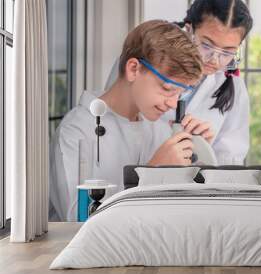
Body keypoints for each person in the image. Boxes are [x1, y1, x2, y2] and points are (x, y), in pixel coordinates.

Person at [50, 20, 212, 221]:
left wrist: (201, 155)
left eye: (180, 94)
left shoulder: (161, 130)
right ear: (134, 69)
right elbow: (77, 218)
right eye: (168, 89)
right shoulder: (75, 130)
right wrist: (151, 174)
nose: (172, 103)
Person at [105, 0, 253, 165]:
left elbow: (229, 163)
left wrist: (202, 148)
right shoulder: (146, 57)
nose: (215, 60)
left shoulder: (233, 87)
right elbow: (111, 128)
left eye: (227, 52)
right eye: (206, 45)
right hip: (134, 179)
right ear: (189, 29)